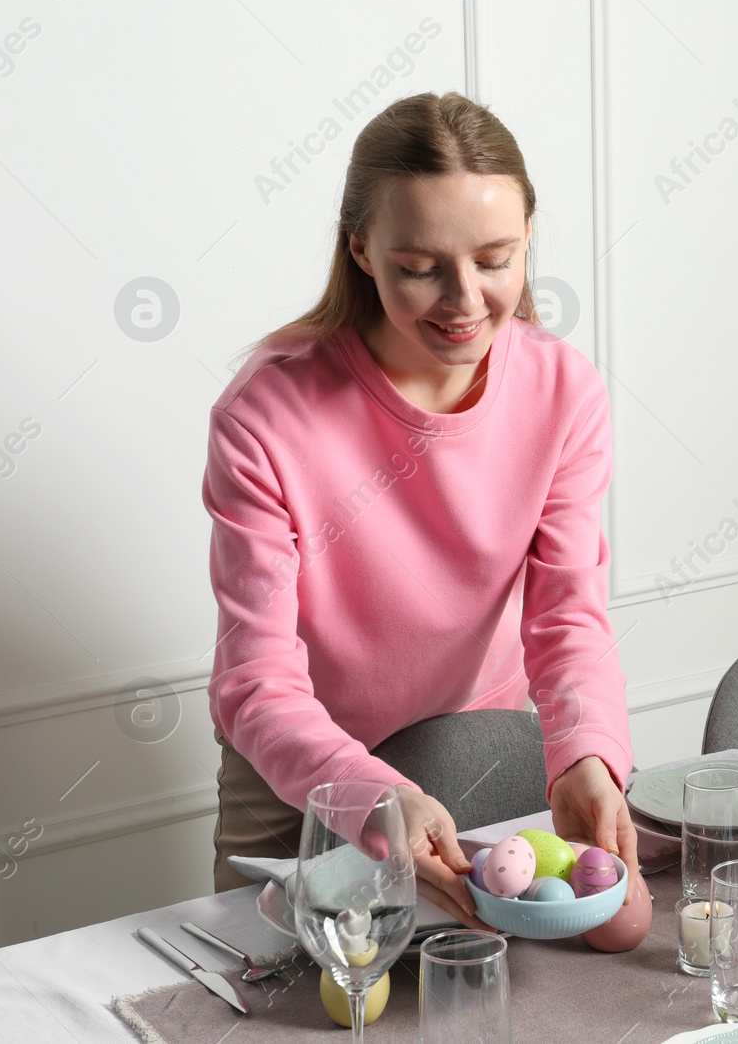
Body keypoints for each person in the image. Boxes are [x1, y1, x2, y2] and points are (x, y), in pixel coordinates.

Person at [202, 91, 639, 928]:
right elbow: (255, 677)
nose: (464, 298)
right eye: (419, 266)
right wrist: (373, 795)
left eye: (495, 258)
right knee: (277, 990)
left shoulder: (565, 393)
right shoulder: (263, 414)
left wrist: (588, 754)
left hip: (469, 747)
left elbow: (569, 620)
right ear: (360, 248)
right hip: (296, 766)